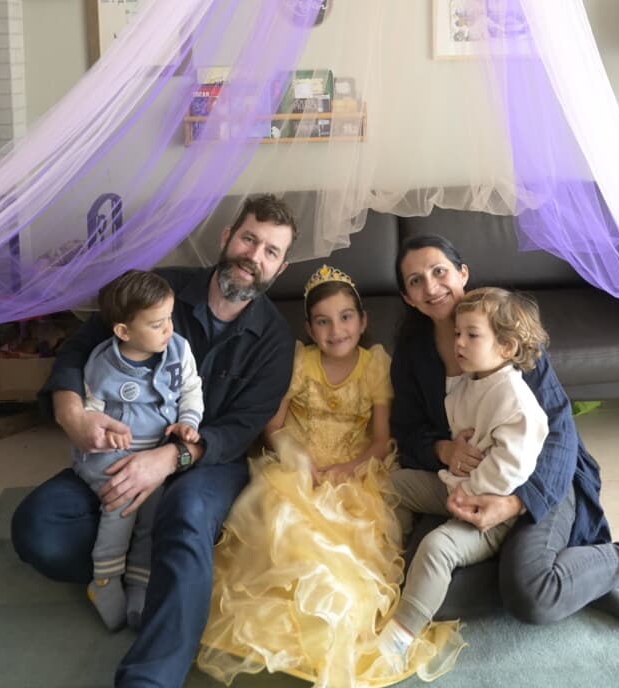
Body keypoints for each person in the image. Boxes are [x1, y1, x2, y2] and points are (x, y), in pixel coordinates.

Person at [11, 193, 298, 688]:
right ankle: (153, 574)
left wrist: (169, 459)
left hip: (207, 461)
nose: (256, 256)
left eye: (271, 251)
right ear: (227, 237)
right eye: (250, 239)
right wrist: (72, 413)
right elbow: (79, 349)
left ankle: (149, 677)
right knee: (37, 529)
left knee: (183, 517)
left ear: (281, 267)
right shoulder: (156, 289)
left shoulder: (275, 338)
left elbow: (240, 428)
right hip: (117, 450)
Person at [390, 234, 619, 629]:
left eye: (439, 271)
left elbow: (559, 433)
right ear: (406, 297)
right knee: (431, 593)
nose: (431, 287)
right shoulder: (412, 355)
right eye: (415, 281)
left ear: (462, 273)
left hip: (542, 475)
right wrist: (443, 450)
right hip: (466, 484)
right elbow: (407, 430)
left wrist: (515, 503)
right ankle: (578, 581)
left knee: (531, 597)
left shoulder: (503, 330)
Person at [197, 264, 463, 688]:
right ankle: (293, 609)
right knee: (284, 530)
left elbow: (380, 441)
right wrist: (296, 455)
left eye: (345, 317)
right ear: (308, 327)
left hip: (356, 471)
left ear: (362, 321)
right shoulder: (300, 361)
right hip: (299, 468)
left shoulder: (375, 365)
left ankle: (334, 617)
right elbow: (275, 424)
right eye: (322, 321)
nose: (335, 330)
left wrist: (344, 470)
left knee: (352, 543)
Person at [379, 286, 549, 668]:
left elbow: (511, 465)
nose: (459, 342)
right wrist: (453, 449)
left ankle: (400, 636)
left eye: (472, 335)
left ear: (505, 347)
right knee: (394, 485)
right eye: (457, 333)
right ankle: (394, 549)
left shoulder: (515, 399)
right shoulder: (471, 379)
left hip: (489, 509)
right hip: (455, 487)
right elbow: (458, 423)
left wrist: (470, 493)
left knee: (438, 548)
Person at [73, 270, 204, 632]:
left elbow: (191, 387)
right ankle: (104, 579)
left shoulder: (177, 348)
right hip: (112, 454)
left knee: (154, 510)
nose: (169, 330)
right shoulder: (103, 364)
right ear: (124, 332)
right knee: (122, 505)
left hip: (158, 451)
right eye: (157, 324)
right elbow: (89, 408)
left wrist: (187, 422)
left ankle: (139, 581)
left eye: (170, 319)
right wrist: (101, 429)